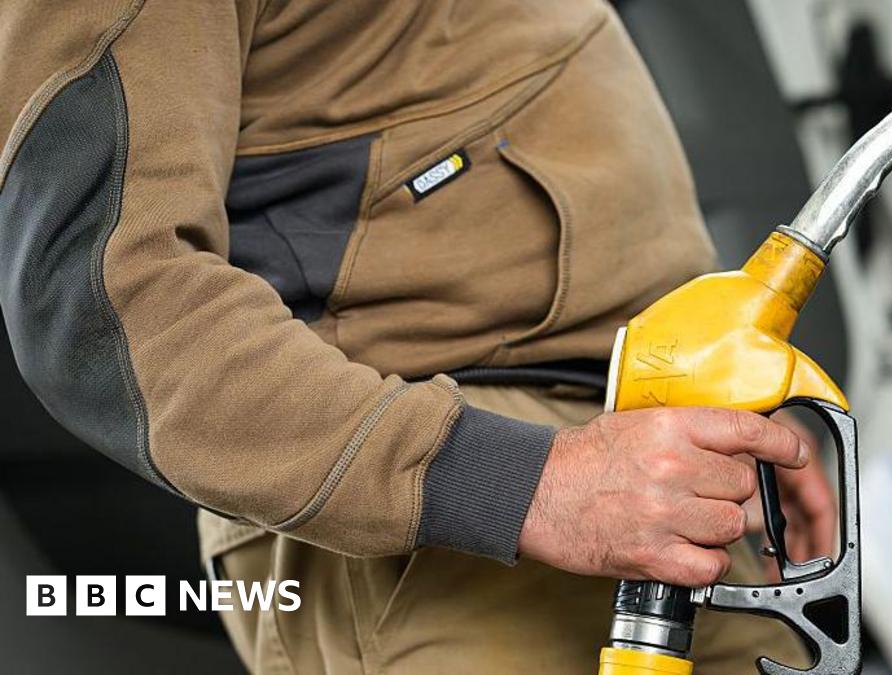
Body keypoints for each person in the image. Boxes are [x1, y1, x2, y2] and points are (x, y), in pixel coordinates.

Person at [0, 0, 834, 671]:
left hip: (634, 481)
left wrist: (702, 403)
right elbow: (102, 302)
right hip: (441, 527)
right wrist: (529, 484)